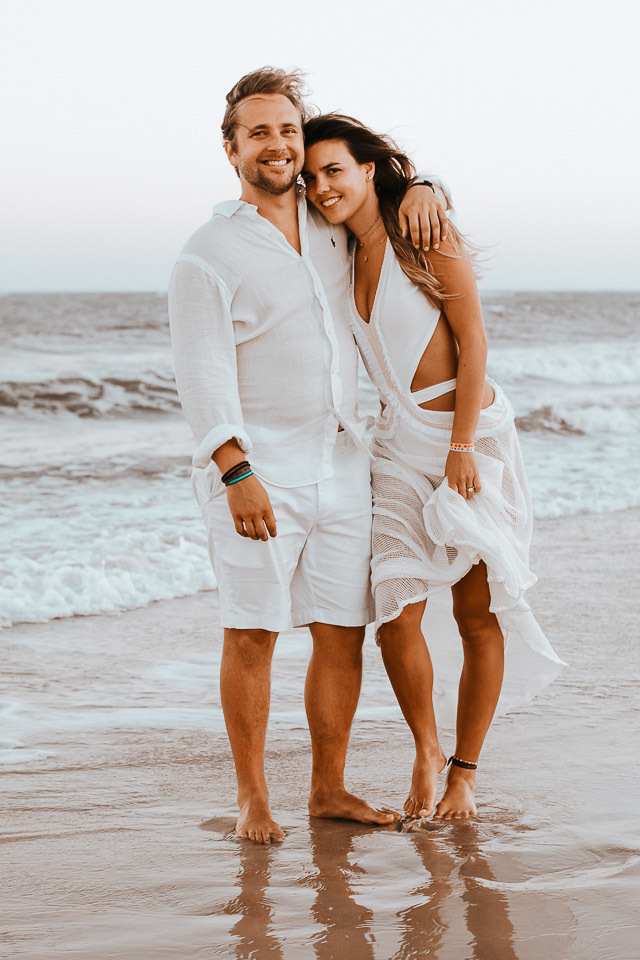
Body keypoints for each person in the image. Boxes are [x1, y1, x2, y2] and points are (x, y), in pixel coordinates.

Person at [168, 68, 448, 844]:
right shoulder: (208, 253)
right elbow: (201, 371)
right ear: (231, 151)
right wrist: (235, 471)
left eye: (288, 130)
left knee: (339, 629)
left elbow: (385, 186)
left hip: (343, 463)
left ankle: (328, 788)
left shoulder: (331, 223)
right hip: (258, 473)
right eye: (258, 133)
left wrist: (424, 182)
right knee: (252, 631)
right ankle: (253, 799)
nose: (278, 145)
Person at [302, 114, 565, 820]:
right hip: (395, 446)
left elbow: (474, 340)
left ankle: (464, 773)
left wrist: (462, 448)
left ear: (366, 170)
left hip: (466, 437)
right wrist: (427, 180)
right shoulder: (333, 251)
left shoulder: (420, 230)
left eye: (335, 170)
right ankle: (424, 748)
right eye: (313, 175)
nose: (323, 186)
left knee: (476, 612)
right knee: (395, 608)